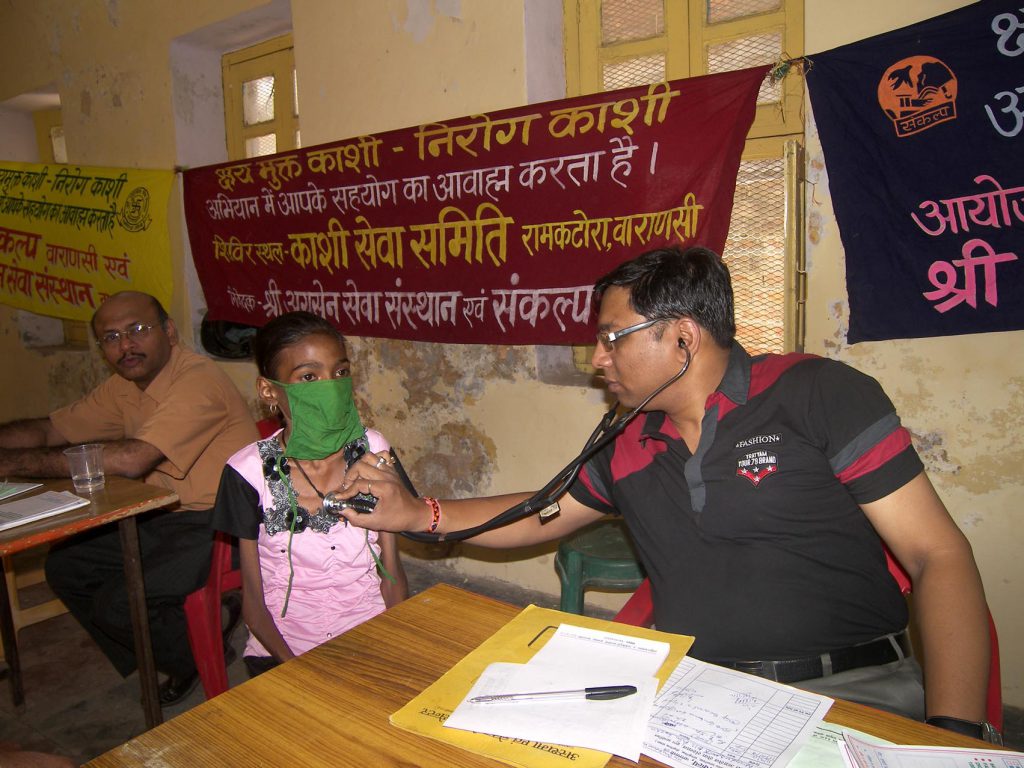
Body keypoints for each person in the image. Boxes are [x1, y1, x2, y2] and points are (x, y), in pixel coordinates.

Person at [331, 246, 993, 739]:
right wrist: (421, 513)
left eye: (611, 338)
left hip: (851, 693)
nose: (597, 359)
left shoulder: (819, 395)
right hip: (697, 694)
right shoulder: (630, 441)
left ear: (681, 336)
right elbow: (541, 515)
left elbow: (939, 556)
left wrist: (955, 734)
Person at [0, 291, 259, 706]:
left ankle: (193, 654)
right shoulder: (125, 386)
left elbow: (132, 460)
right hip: (166, 514)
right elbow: (51, 430)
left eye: (138, 330)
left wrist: (11, 464)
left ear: (169, 332)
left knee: (119, 602)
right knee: (67, 567)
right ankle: (173, 641)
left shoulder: (197, 381)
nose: (126, 345)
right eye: (111, 337)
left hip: (226, 524)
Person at [211, 311, 407, 677]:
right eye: (309, 377)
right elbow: (253, 604)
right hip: (283, 652)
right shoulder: (246, 474)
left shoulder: (374, 451)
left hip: (371, 639)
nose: (330, 387)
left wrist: (397, 648)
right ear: (269, 390)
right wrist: (299, 674)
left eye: (340, 373)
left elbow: (392, 573)